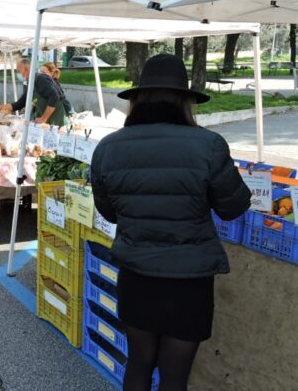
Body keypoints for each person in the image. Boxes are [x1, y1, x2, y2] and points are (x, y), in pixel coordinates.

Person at [89, 53, 251, 391]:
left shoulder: (108, 147)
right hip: (188, 280)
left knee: (138, 363)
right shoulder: (209, 145)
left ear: (137, 100)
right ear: (184, 101)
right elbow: (233, 207)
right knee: (175, 376)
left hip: (137, 273)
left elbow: (109, 213)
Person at [0, 58, 69, 126]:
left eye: (19, 71)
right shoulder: (30, 84)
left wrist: (43, 118)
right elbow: (19, 104)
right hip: (47, 123)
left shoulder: (40, 79)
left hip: (57, 121)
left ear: (27, 69)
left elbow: (54, 97)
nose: (18, 73)